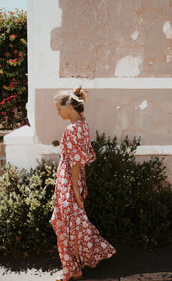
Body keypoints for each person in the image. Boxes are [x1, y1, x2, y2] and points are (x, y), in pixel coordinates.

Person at [51, 87, 116, 281]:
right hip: (74, 180)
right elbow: (80, 159)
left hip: (69, 181)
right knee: (68, 222)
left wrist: (73, 190)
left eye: (59, 108)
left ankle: (73, 268)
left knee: (63, 222)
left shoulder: (72, 129)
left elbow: (76, 162)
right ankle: (75, 267)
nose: (58, 113)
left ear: (69, 106)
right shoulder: (83, 126)